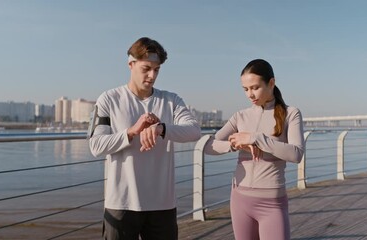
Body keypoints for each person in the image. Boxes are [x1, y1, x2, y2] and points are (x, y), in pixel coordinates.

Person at [88, 37, 201, 240]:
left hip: (162, 204)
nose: (152, 75)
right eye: (146, 68)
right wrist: (131, 132)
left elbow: (194, 130)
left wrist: (161, 128)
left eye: (156, 70)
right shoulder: (109, 99)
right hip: (121, 203)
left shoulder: (171, 100)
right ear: (131, 64)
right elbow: (96, 146)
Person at [204, 59, 305, 240]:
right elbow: (208, 146)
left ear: (271, 83)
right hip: (240, 200)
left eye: (255, 87)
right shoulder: (240, 116)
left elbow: (296, 154)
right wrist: (234, 144)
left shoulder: (291, 113)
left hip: (272, 203)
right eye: (245, 89)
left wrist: (256, 138)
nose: (250, 94)